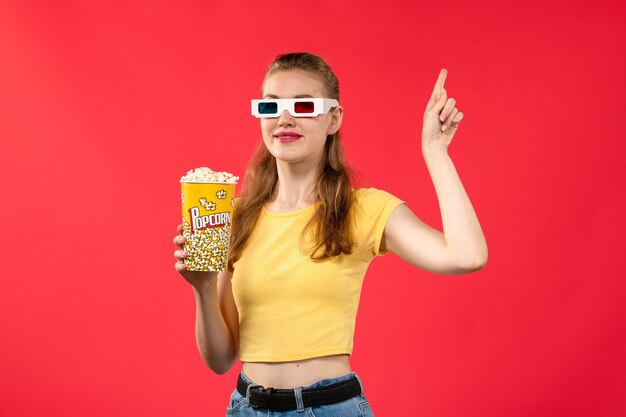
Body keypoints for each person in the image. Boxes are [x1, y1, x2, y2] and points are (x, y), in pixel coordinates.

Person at [173, 52, 487, 416]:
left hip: (330, 408)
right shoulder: (233, 215)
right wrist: (203, 287)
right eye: (271, 106)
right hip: (247, 407)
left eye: (304, 105)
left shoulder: (364, 209)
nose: (285, 118)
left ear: (333, 118)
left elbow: (467, 255)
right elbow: (220, 358)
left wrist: (436, 152)